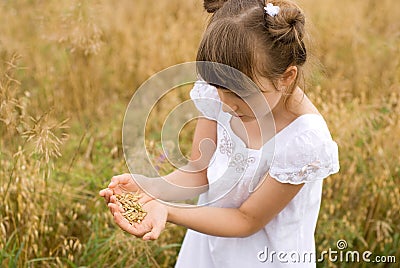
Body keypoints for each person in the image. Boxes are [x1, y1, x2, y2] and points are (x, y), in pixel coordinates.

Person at [100, 0, 339, 267]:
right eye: (219, 89)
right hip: (208, 247)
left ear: (286, 77)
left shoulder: (303, 141)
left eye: (241, 94)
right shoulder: (223, 90)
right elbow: (199, 171)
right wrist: (150, 187)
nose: (227, 104)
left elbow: (247, 219)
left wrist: (168, 211)